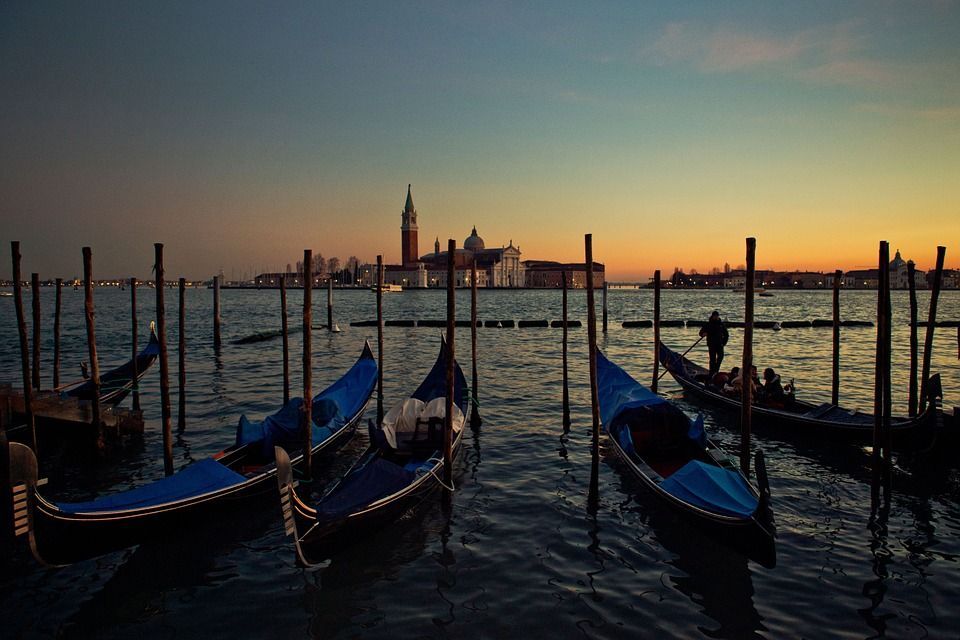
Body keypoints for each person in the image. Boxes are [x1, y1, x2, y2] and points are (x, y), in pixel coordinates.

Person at [699, 311, 729, 378]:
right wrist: (703, 334)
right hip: (711, 344)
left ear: (718, 316)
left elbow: (726, 335)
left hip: (719, 344)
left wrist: (723, 343)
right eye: (714, 316)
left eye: (717, 316)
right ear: (712, 316)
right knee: (712, 359)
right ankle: (711, 372)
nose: (716, 317)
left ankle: (716, 370)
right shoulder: (708, 324)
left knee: (720, 357)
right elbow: (701, 332)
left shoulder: (721, 325)